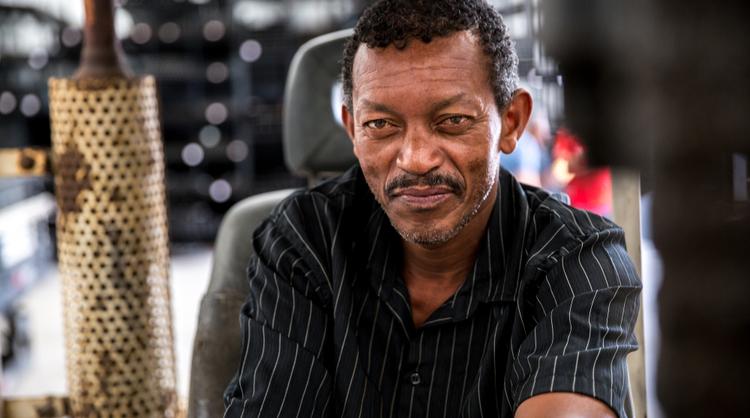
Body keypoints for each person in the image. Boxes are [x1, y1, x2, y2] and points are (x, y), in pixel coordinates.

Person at [223, 1, 641, 417]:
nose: (416, 159)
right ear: (353, 129)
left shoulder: (579, 261)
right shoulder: (304, 241)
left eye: (453, 120)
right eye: (380, 125)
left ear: (511, 122)